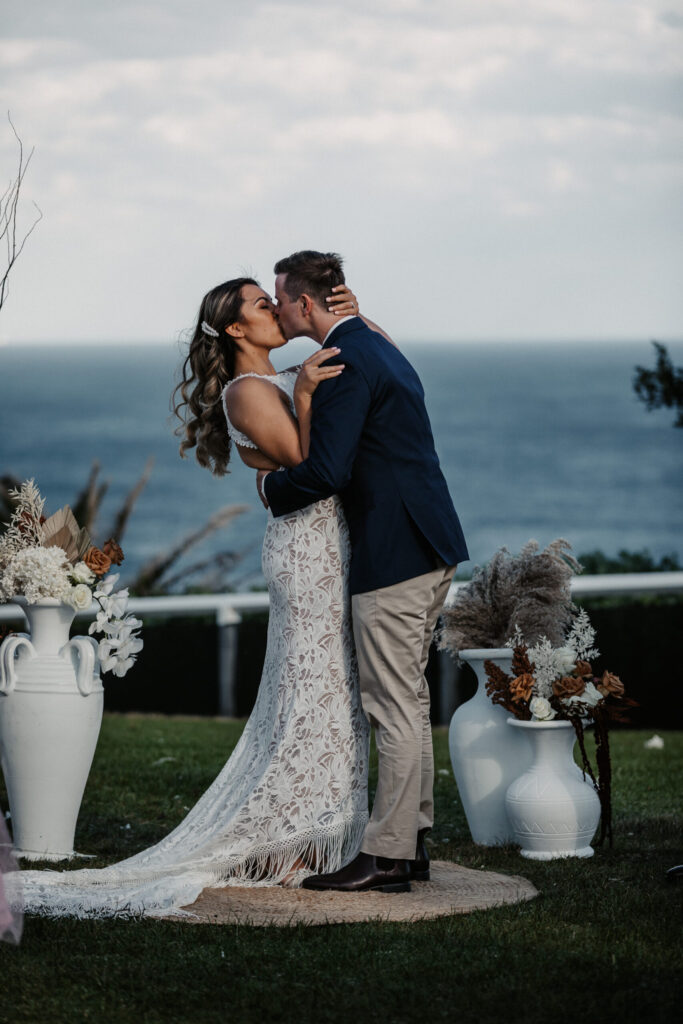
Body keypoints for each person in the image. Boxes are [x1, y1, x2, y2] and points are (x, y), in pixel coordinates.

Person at [13, 276, 370, 918]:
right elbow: (305, 460)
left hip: (332, 545)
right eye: (261, 303)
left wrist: (355, 320)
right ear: (235, 328)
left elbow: (373, 361)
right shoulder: (246, 391)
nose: (275, 308)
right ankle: (287, 839)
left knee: (333, 687)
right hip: (304, 551)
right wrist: (307, 394)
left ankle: (314, 832)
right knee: (307, 688)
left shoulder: (286, 372)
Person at [260, 251, 469, 894]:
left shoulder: (344, 364)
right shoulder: (379, 346)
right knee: (411, 700)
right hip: (431, 543)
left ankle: (386, 857)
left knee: (393, 705)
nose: (277, 309)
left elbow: (327, 471)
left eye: (280, 299)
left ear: (305, 302)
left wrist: (270, 488)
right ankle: (412, 844)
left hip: (392, 554)